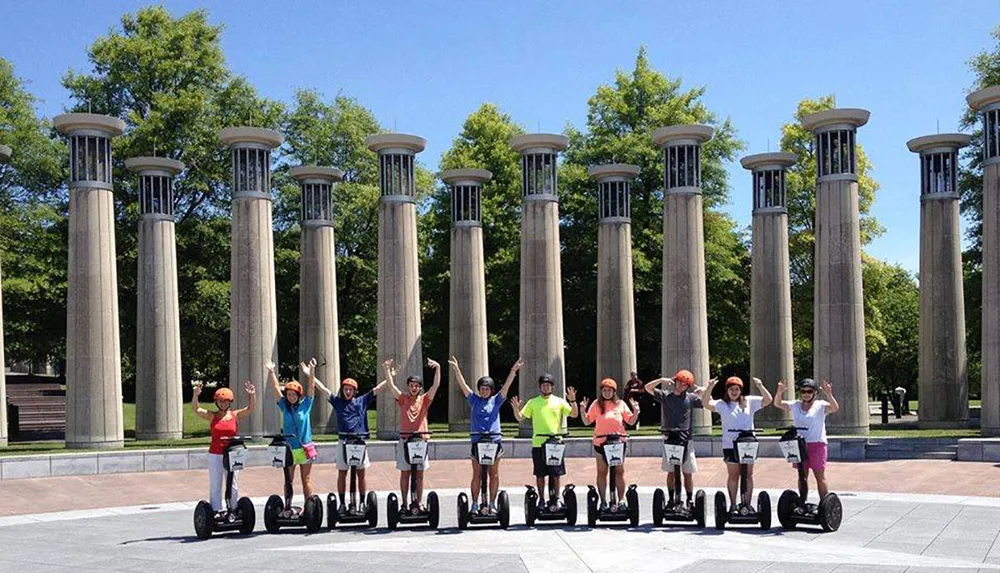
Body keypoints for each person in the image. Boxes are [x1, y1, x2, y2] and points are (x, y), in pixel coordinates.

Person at [449, 355, 523, 516]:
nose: (484, 391)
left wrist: (513, 371)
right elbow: (463, 386)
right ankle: (475, 504)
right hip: (477, 440)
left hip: (494, 441)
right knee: (476, 474)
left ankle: (492, 503)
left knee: (493, 473)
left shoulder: (496, 401)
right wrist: (456, 369)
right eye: (482, 388)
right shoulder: (474, 400)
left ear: (491, 390)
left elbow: (507, 387)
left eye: (487, 389)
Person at [314, 369, 388, 514]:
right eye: (345, 389)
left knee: (361, 473)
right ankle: (342, 504)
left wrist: (390, 377)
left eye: (350, 390)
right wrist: (311, 374)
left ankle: (361, 503)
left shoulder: (362, 401)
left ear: (355, 391)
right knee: (342, 473)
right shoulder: (338, 402)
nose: (347, 392)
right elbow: (323, 390)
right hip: (344, 441)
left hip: (359, 442)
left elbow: (378, 389)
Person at [701, 375, 772, 512]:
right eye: (731, 389)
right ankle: (733, 505)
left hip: (748, 442)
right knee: (733, 475)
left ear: (741, 390)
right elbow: (705, 404)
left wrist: (760, 386)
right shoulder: (722, 404)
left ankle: (747, 504)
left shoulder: (749, 401)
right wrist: (709, 387)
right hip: (730, 444)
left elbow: (768, 400)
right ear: (727, 390)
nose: (734, 392)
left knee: (748, 475)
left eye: (737, 389)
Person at [511, 374, 580, 511]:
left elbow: (574, 414)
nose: (546, 387)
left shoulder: (559, 401)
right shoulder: (533, 402)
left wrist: (572, 401)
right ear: (540, 386)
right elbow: (520, 418)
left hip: (555, 442)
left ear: (552, 387)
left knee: (556, 474)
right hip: (538, 443)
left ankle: (557, 499)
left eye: (548, 385)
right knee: (540, 474)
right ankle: (542, 499)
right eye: (543, 384)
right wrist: (515, 408)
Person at [385, 358, 441, 513]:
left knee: (420, 475)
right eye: (411, 386)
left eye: (416, 386)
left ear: (420, 388)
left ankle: (419, 503)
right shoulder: (403, 399)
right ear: (408, 387)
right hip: (405, 440)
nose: (414, 388)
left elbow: (435, 386)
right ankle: (404, 503)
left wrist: (438, 368)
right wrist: (386, 370)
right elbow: (391, 386)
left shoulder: (424, 400)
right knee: (405, 473)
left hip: (421, 441)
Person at [191, 380, 256, 513]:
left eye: (226, 401)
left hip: (232, 454)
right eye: (221, 401)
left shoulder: (234, 415)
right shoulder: (212, 416)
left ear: (229, 402)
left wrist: (252, 395)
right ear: (216, 402)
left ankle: (233, 508)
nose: (223, 403)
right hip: (215, 454)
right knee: (216, 484)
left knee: (233, 484)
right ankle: (216, 511)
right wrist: (196, 395)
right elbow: (196, 409)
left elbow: (251, 409)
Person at [644, 369, 704, 507]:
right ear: (674, 381)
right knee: (671, 472)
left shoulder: (691, 398)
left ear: (688, 387)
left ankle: (689, 499)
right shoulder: (665, 396)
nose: (681, 385)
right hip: (669, 438)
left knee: (687, 472)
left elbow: (709, 403)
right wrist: (661, 380)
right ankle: (671, 499)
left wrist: (705, 390)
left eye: (685, 384)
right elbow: (647, 388)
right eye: (679, 382)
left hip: (686, 439)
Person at [579, 378, 639, 511]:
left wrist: (636, 411)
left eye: (609, 390)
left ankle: (621, 500)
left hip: (618, 442)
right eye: (604, 390)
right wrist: (583, 410)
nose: (607, 393)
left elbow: (630, 421)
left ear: (614, 391)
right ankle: (603, 501)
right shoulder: (596, 404)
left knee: (619, 471)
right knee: (602, 472)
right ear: (601, 391)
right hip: (601, 442)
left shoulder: (620, 404)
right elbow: (587, 422)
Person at [773, 378, 840, 498]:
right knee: (802, 476)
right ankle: (802, 502)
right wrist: (779, 392)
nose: (806, 394)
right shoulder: (795, 405)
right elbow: (777, 403)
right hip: (799, 445)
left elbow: (835, 408)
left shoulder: (820, 405)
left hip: (817, 444)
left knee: (819, 476)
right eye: (803, 391)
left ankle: (824, 504)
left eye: (809, 391)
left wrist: (828, 394)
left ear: (814, 393)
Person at [267, 358, 318, 504]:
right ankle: (287, 506)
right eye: (288, 394)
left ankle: (309, 507)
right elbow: (276, 389)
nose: (290, 397)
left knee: (305, 479)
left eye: (293, 394)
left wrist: (311, 371)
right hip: (289, 449)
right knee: (288, 480)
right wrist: (271, 372)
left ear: (298, 395)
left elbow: (311, 387)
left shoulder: (306, 405)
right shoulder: (284, 406)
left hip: (304, 448)